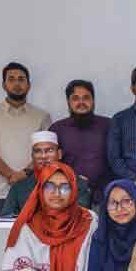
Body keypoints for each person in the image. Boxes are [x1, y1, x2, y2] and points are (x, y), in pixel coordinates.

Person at [0, 62, 52, 220]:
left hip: (35, 189)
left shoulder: (42, 116)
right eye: (11, 79)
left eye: (21, 79)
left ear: (28, 85)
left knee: (36, 234)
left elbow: (45, 153)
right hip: (1, 192)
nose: (17, 83)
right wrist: (11, 176)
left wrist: (24, 174)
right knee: (2, 234)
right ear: (4, 85)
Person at [49, 79, 112, 207]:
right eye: (75, 98)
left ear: (93, 101)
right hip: (70, 199)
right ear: (68, 102)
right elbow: (50, 165)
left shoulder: (108, 126)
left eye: (86, 98)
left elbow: (117, 158)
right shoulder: (57, 129)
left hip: (105, 198)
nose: (81, 102)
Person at [1, 131, 92, 217]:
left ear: (59, 154)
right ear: (32, 156)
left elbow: (80, 217)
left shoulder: (78, 184)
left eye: (50, 151)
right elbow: (5, 219)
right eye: (38, 151)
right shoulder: (19, 187)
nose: (43, 156)